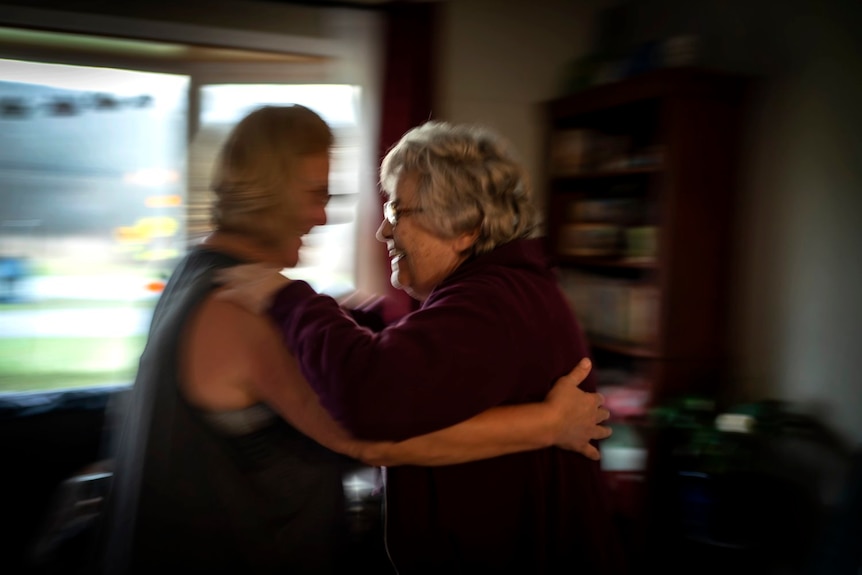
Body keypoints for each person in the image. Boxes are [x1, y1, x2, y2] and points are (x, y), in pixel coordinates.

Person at [97, 105, 612, 575]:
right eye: (314, 195)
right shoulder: (237, 303)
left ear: (466, 228)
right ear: (270, 192)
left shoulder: (195, 272)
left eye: (396, 211)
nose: (324, 217)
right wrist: (547, 424)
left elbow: (376, 397)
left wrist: (311, 306)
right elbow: (371, 428)